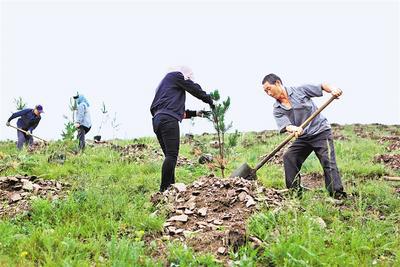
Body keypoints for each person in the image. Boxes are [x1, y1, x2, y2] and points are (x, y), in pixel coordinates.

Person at [262, 73, 346, 199]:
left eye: (269, 89)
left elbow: (322, 86)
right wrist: (293, 128)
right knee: (289, 157)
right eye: (265, 91)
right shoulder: (277, 109)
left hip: (320, 131)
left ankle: (337, 194)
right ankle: (295, 193)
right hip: (303, 137)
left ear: (278, 83)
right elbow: (285, 126)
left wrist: (333, 89)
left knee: (327, 160)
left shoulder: (299, 91)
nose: (268, 93)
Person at [150, 66, 214, 192]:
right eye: (188, 78)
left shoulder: (164, 86)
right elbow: (193, 88)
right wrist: (210, 100)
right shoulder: (175, 75)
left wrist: (196, 113)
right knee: (172, 156)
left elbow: (174, 111)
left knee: (169, 156)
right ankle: (163, 190)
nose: (189, 80)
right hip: (167, 120)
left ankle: (170, 188)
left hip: (157, 120)